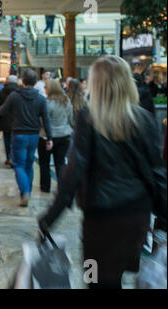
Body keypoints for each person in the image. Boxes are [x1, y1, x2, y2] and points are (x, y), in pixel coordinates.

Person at [38, 55, 167, 289]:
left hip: (100, 219)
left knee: (94, 278)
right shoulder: (145, 119)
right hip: (136, 218)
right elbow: (157, 171)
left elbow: (74, 171)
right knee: (116, 274)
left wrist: (51, 216)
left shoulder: (89, 118)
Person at [0, 69, 53, 207]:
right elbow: (46, 119)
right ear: (36, 82)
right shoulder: (41, 98)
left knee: (18, 164)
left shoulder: (14, 96)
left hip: (18, 133)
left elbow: (2, 111)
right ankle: (26, 190)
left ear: (22, 81)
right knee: (29, 164)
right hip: (34, 135)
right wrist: (49, 137)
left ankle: (25, 191)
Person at [38, 79, 74, 193]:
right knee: (60, 162)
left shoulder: (46, 102)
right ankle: (62, 187)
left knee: (44, 163)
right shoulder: (66, 101)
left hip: (47, 136)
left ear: (50, 89)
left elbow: (42, 121)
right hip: (64, 135)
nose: (45, 89)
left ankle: (45, 186)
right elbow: (71, 118)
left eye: (46, 87)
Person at [0, 75, 20, 167]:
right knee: (16, 141)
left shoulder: (2, 91)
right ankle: (15, 158)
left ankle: (8, 158)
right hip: (18, 120)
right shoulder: (19, 91)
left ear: (7, 81)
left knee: (7, 140)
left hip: (5, 120)